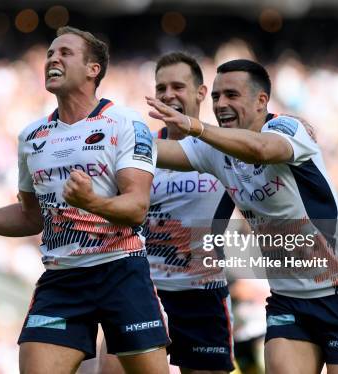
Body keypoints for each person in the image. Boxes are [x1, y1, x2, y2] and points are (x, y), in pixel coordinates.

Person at [0, 26, 170, 374]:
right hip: (63, 278)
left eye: (65, 53)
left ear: (94, 70)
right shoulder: (32, 136)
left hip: (121, 271)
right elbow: (32, 217)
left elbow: (137, 207)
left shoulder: (125, 122)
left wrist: (91, 201)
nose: (52, 59)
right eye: (49, 54)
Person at [146, 59, 338, 374]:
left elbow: (261, 149)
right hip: (288, 299)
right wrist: (104, 138)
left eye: (231, 95)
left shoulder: (288, 128)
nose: (220, 104)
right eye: (216, 97)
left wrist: (198, 128)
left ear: (261, 101)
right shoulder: (214, 149)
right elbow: (154, 150)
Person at [101, 52, 236, 374]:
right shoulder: (140, 147)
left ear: (201, 93)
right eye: (162, 88)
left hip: (201, 293)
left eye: (178, 86)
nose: (168, 95)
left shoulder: (228, 149)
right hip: (142, 289)